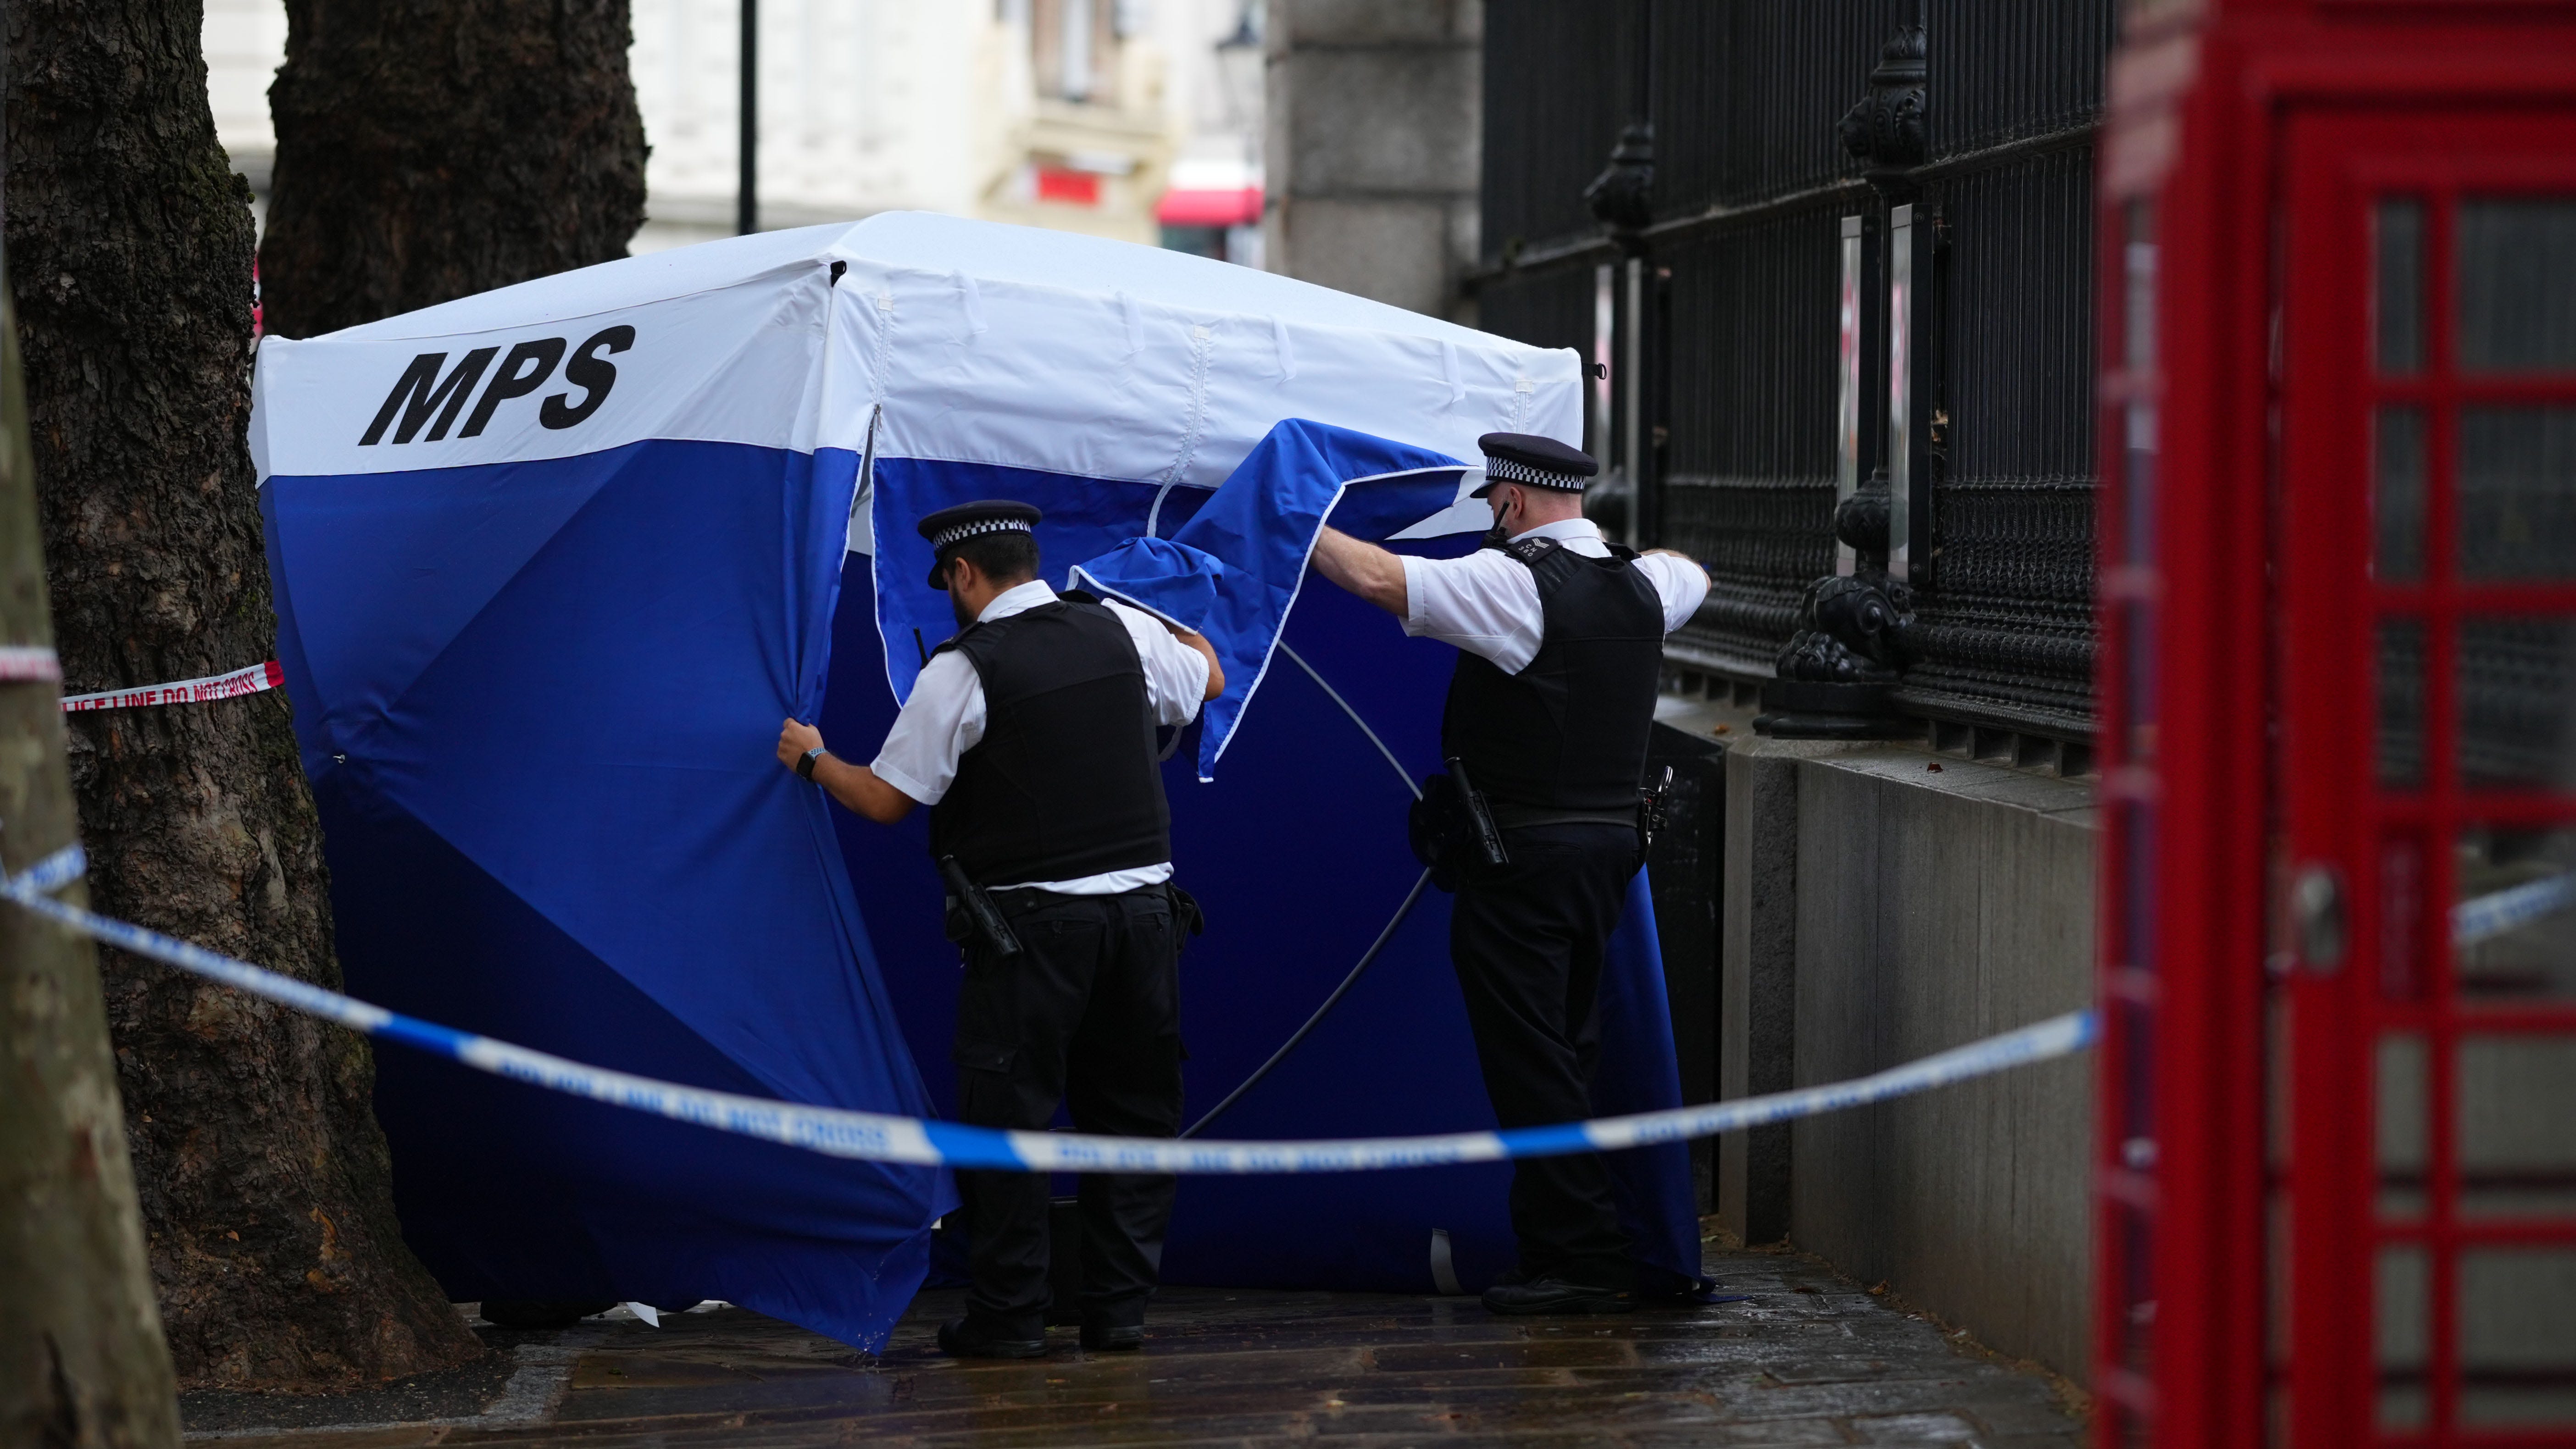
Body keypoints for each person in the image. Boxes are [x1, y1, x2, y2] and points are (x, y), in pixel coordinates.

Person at [777, 498, 1224, 1359]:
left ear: (965, 575)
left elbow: (885, 799)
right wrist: (1182, 626)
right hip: (1145, 925)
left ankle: (1011, 1319)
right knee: (1132, 1122)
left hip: (1034, 934)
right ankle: (1118, 1314)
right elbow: (1207, 678)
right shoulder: (1121, 631)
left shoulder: (964, 668)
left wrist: (811, 756)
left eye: (947, 580)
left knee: (1006, 1124)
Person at [1307, 433, 1710, 1316]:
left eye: (1493, 506)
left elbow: (1381, 579)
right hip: (1609, 857)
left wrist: (1292, 520)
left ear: (1515, 502)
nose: (1490, 522)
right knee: (1569, 1046)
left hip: (1524, 861)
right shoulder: (1647, 584)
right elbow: (1693, 568)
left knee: (1532, 1061)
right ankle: (1571, 1246)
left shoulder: (1512, 584)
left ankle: (1582, 1256)